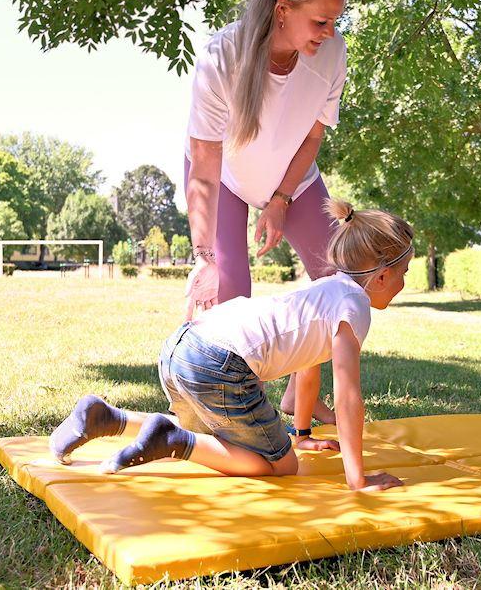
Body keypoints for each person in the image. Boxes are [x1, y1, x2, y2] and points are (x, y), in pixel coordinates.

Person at [50, 200, 413, 491]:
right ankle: (172, 440)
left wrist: (302, 434)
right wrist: (357, 479)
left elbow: (307, 370)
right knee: (281, 465)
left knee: (215, 437)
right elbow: (348, 395)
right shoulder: (354, 305)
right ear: (382, 276)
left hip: (183, 346)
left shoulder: (324, 290)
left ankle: (107, 418)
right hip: (220, 362)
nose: (404, 282)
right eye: (405, 273)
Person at [182, 0, 349, 424]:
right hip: (225, 179)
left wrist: (280, 200)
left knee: (341, 281)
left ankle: (299, 397)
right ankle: (216, 406)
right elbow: (204, 165)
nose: (330, 32)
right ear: (282, 9)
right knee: (230, 291)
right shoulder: (223, 57)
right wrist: (205, 257)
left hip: (293, 179)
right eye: (320, 22)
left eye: (336, 20)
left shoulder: (332, 53)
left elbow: (313, 137)